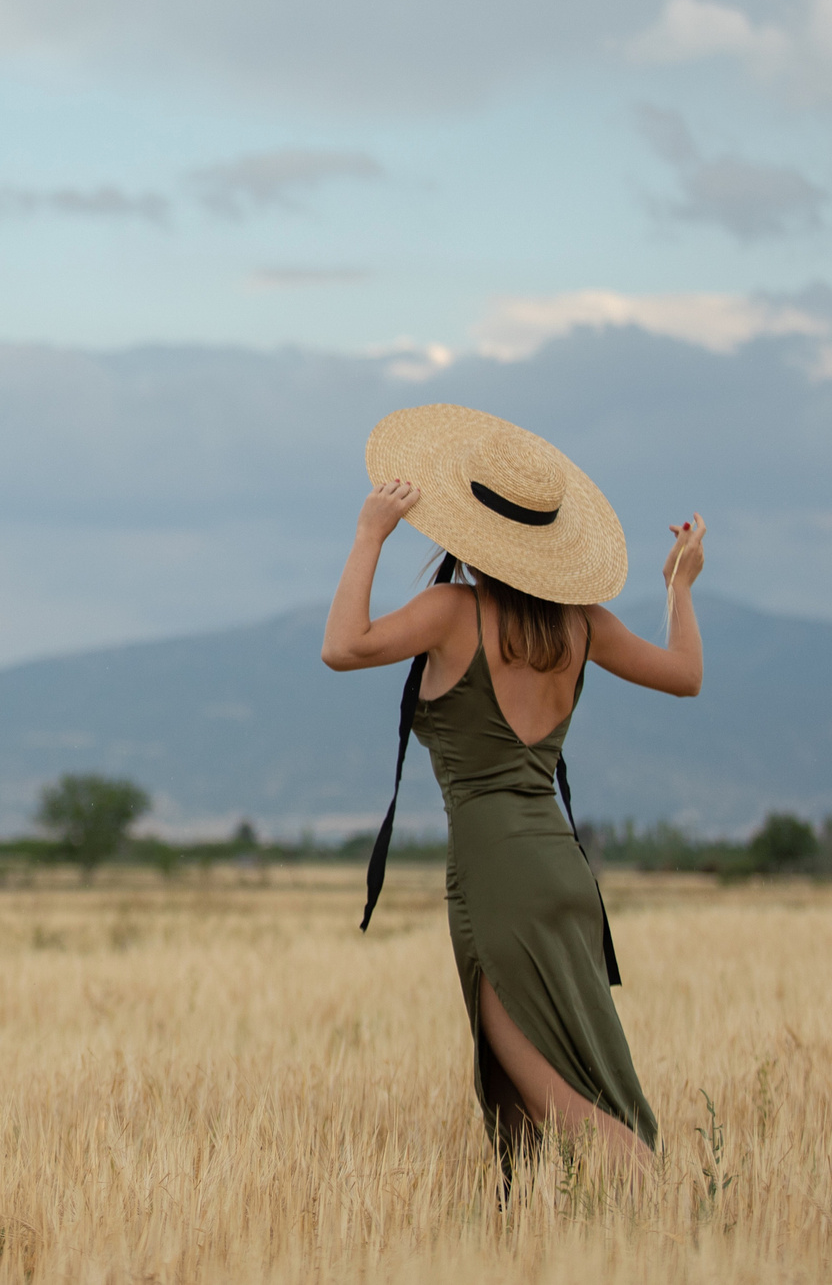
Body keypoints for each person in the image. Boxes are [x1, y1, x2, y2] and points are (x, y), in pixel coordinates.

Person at [321, 404, 705, 1180]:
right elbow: (685, 675)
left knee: (559, 1105)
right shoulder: (581, 624)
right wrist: (679, 585)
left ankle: (670, 1212)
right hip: (564, 870)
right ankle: (570, 1234)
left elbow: (342, 647)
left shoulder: (451, 612)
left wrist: (369, 536)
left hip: (497, 874)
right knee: (566, 1088)